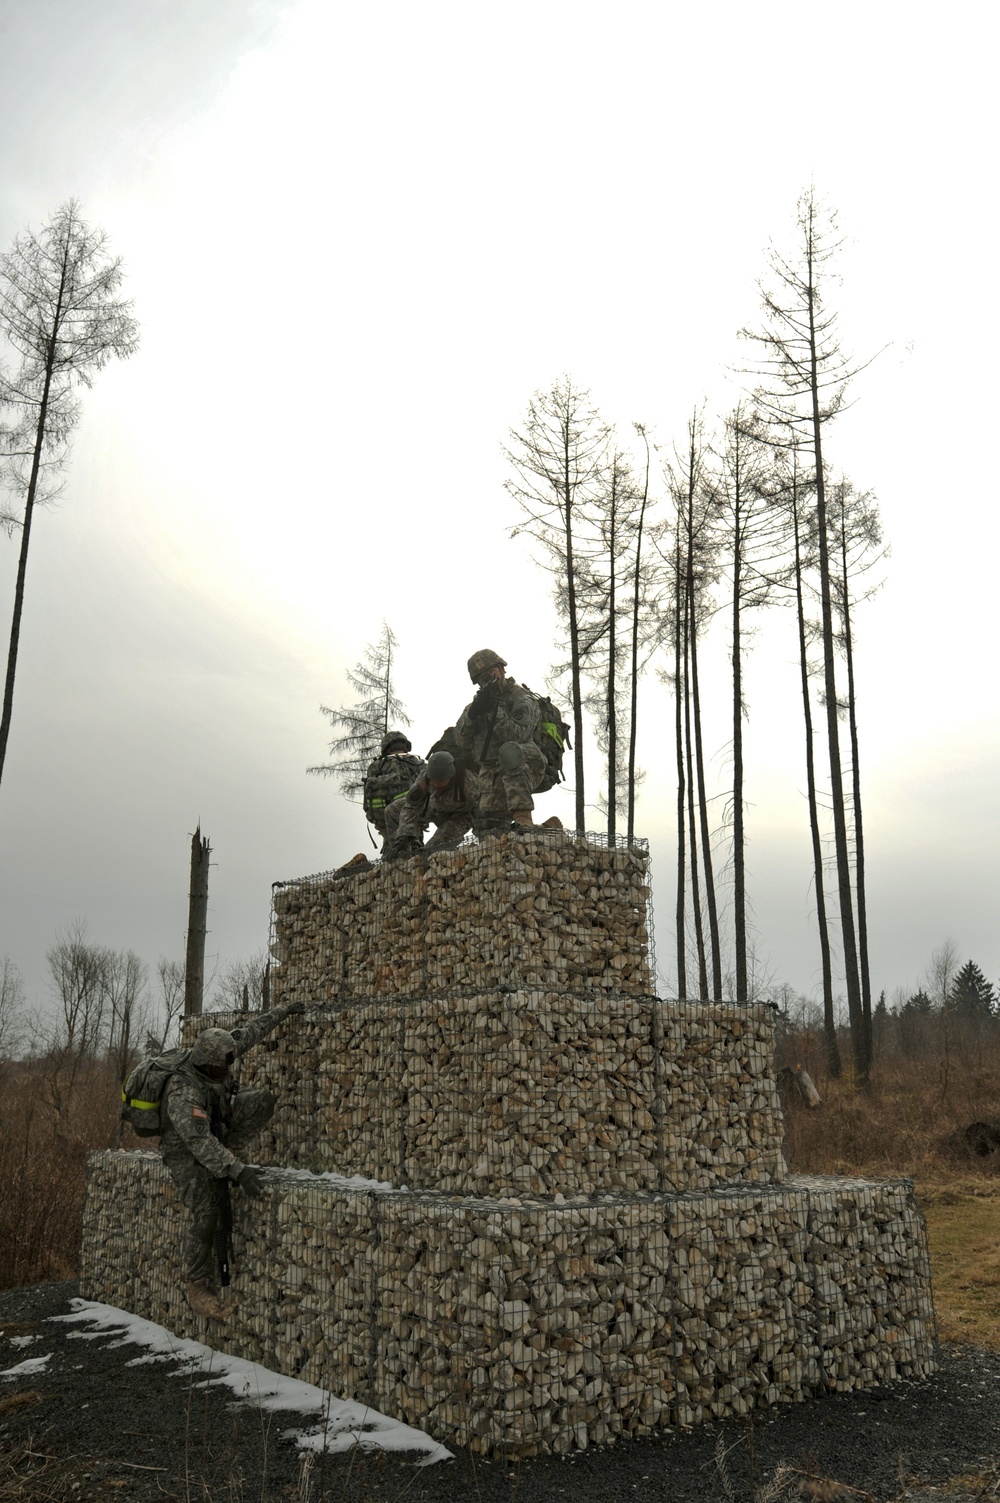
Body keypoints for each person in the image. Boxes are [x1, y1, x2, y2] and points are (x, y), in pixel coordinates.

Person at [158, 1003, 307, 1321]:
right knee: (206, 1207)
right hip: (184, 1151)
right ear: (206, 1064)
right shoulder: (182, 1093)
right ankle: (196, 1284)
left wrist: (284, 1010)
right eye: (220, 1071)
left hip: (216, 1126)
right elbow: (198, 1142)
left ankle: (228, 1155)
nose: (226, 1073)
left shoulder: (219, 1052)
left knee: (262, 1101)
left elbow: (253, 1030)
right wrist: (236, 1170)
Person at [455, 649, 549, 830]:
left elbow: (517, 736)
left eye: (490, 673)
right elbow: (461, 741)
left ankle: (523, 816)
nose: (487, 680)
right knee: (488, 832)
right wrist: (472, 715)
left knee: (509, 752)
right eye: (481, 678)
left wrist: (494, 710)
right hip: (491, 774)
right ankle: (547, 829)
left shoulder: (521, 698)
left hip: (526, 763)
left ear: (502, 668)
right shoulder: (479, 702)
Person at [385, 748, 481, 858]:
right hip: (434, 806)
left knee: (430, 852)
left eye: (439, 780)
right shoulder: (426, 777)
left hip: (459, 817)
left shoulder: (469, 784)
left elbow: (478, 812)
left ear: (450, 775)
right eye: (433, 779)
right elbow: (411, 807)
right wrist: (403, 836)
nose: (434, 784)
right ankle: (401, 855)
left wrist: (483, 839)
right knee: (391, 810)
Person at [362, 731, 423, 851]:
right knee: (415, 849)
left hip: (383, 820)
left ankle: (392, 862)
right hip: (413, 815)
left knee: (392, 850)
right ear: (406, 745)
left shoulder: (376, 766)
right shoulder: (415, 762)